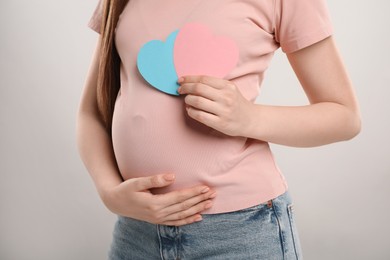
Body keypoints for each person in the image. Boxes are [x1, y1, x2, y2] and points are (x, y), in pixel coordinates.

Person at [77, 0, 361, 259]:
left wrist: (250, 118)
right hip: (137, 232)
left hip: (239, 232)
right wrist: (109, 192)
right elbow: (91, 113)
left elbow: (344, 116)